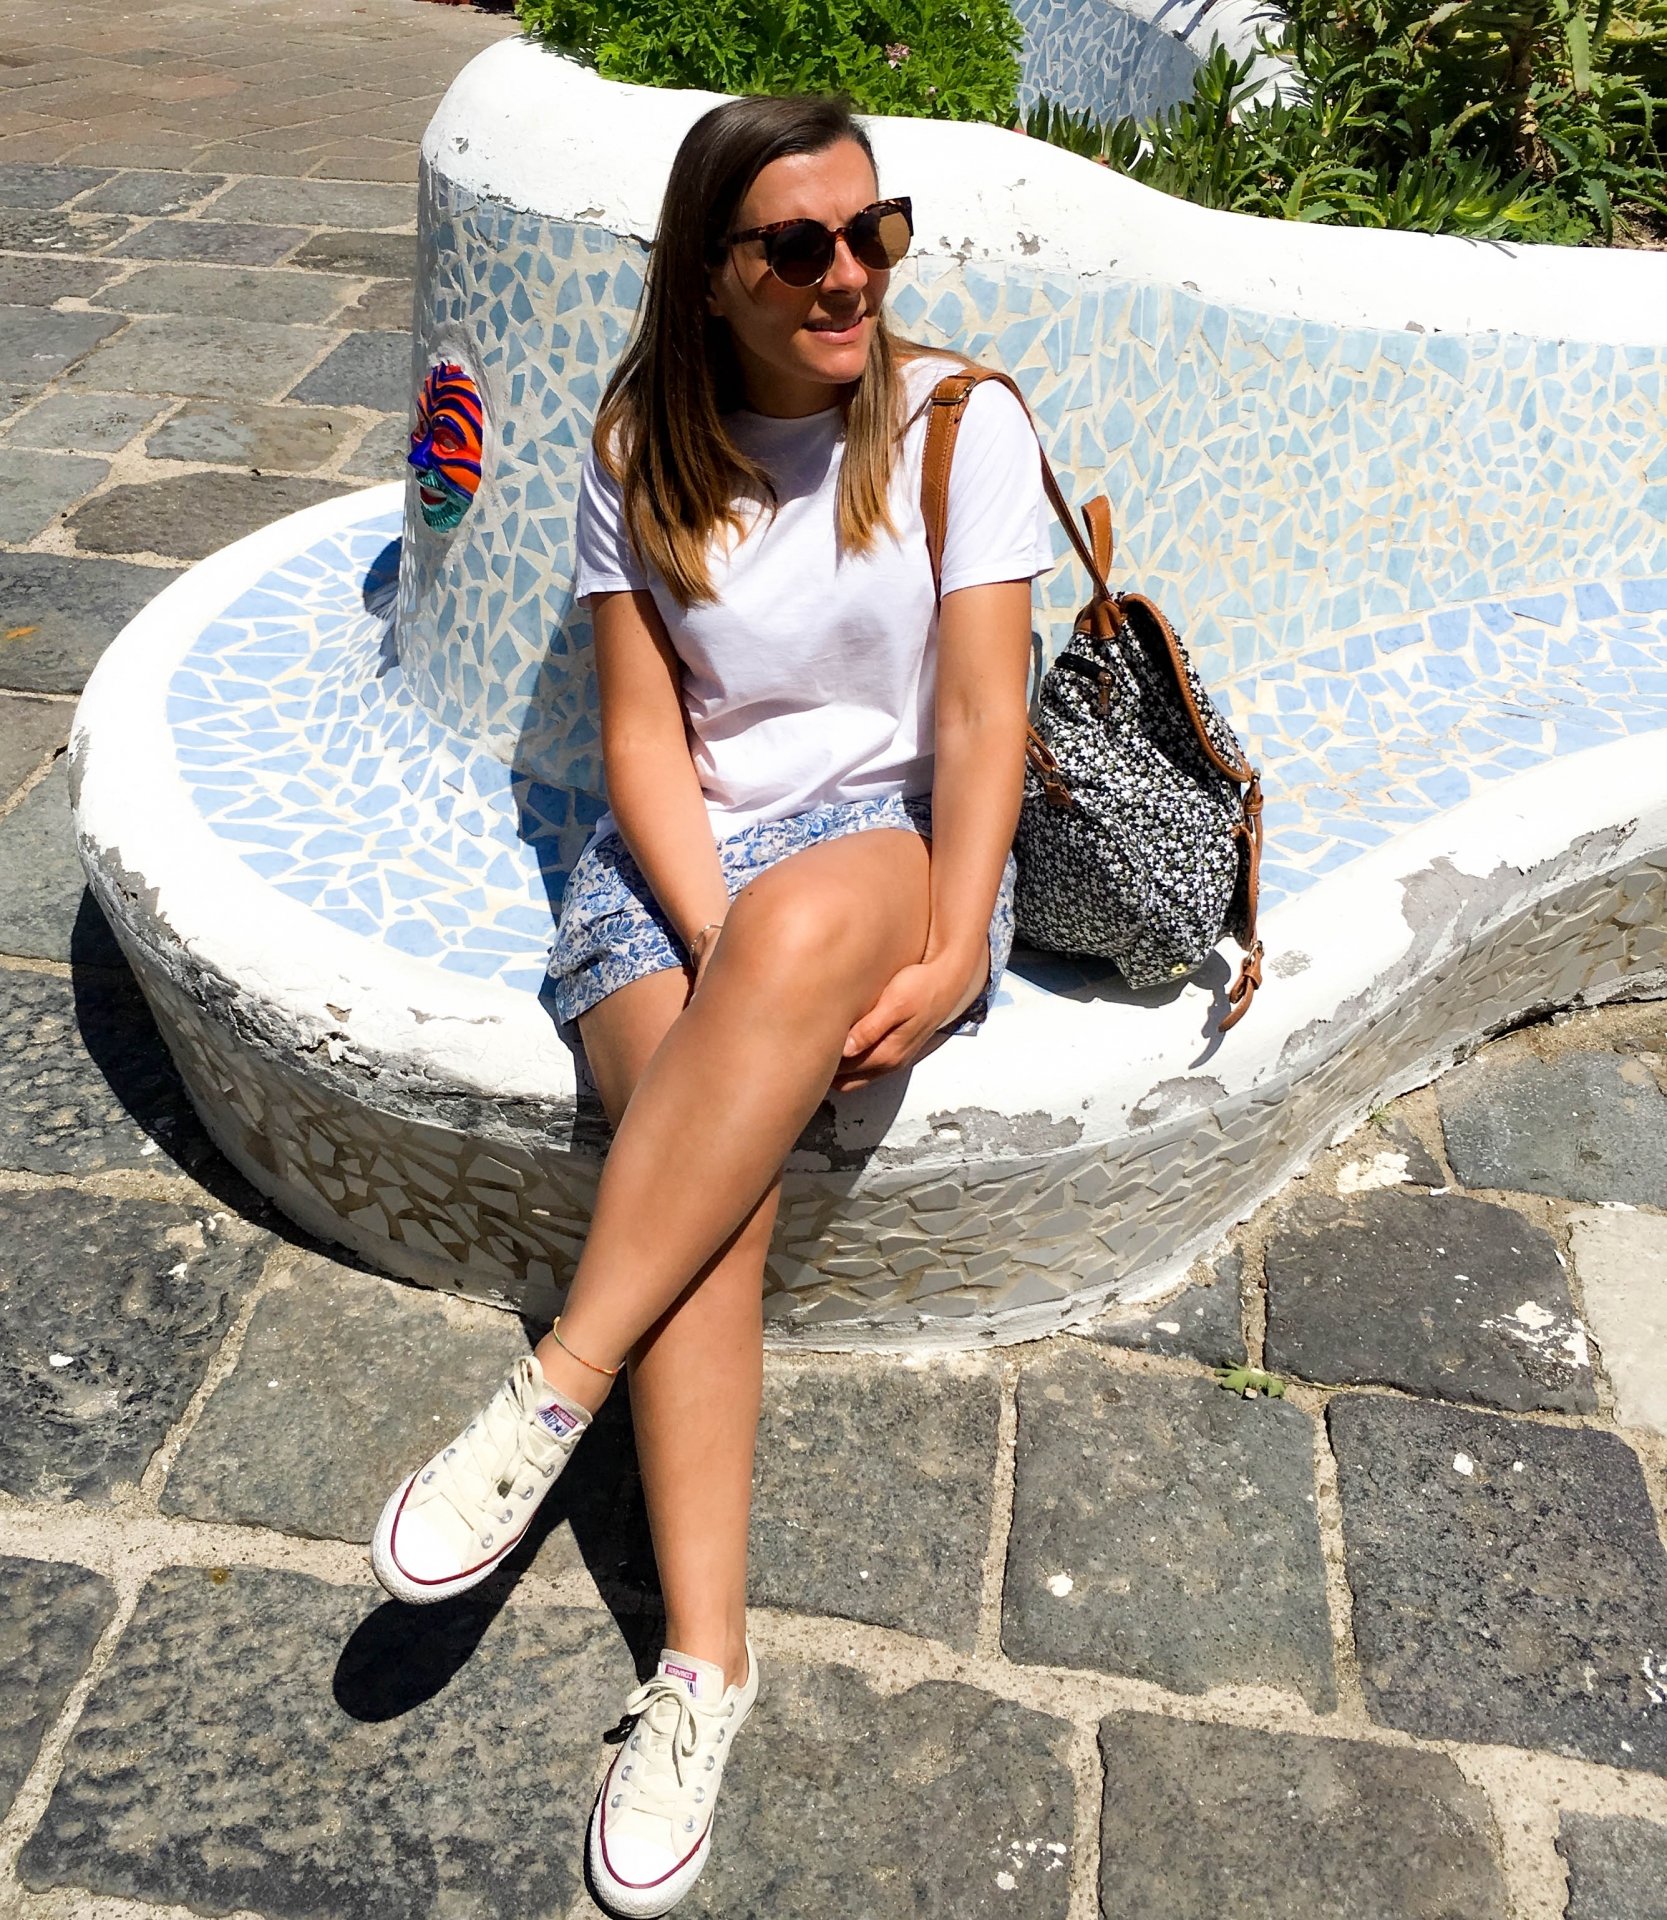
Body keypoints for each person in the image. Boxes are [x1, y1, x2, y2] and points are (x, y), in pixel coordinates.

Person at [371, 90, 1053, 1917]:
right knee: (714, 1190)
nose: (850, 277)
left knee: (799, 936)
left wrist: (958, 939)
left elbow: (982, 714)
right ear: (712, 273)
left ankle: (552, 1389)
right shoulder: (639, 445)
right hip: (679, 865)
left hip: (889, 851)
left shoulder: (960, 423)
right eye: (800, 245)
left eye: (872, 232)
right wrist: (714, 930)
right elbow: (639, 739)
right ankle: (703, 1671)